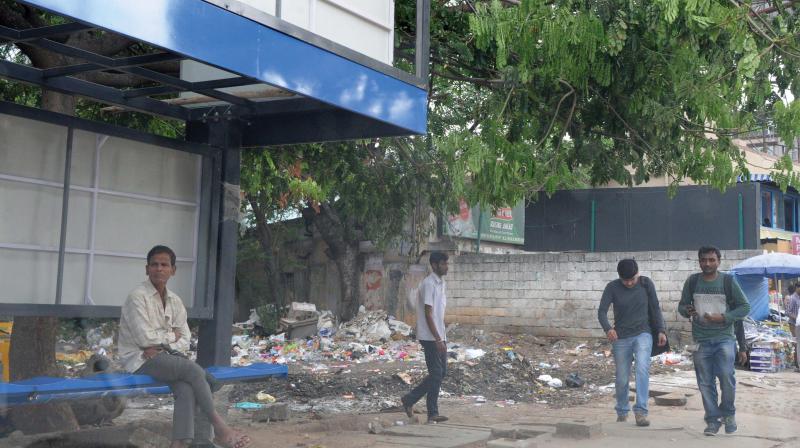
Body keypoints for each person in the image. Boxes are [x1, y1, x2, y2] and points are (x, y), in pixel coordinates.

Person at [118, 245, 251, 448]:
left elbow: (185, 338)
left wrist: (163, 345)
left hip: (167, 357)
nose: (159, 269)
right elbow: (145, 340)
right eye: (154, 265)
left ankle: (178, 444)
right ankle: (220, 428)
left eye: (164, 265)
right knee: (193, 371)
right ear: (147, 269)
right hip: (140, 359)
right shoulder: (137, 297)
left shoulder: (175, 301)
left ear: (173, 270)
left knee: (186, 387)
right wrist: (171, 336)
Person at [678, 246, 750, 436]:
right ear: (699, 261)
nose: (707, 263)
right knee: (705, 383)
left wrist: (724, 318)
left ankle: (728, 414)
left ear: (719, 261)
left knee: (727, 378)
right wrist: (688, 311)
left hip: (724, 339)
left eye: (711, 260)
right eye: (703, 260)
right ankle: (712, 419)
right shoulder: (692, 281)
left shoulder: (728, 281)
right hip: (701, 340)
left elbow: (744, 307)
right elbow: (682, 305)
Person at [597, 259, 667, 427]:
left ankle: (641, 411)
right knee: (622, 378)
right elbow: (601, 311)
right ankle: (622, 411)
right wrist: (608, 329)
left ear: (638, 274)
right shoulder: (612, 287)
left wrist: (661, 330)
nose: (629, 283)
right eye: (625, 280)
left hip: (643, 333)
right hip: (620, 338)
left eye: (632, 279)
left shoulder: (646, 284)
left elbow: (655, 308)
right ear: (619, 277)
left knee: (642, 368)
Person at [401, 251, 450, 424]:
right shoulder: (429, 284)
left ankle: (416, 404)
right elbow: (428, 314)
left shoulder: (440, 283)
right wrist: (437, 338)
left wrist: (442, 336)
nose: (446, 266)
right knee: (436, 373)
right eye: (443, 264)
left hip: (438, 334)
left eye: (446, 263)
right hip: (429, 336)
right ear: (434, 265)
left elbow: (437, 314)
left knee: (441, 372)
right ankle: (421, 406)